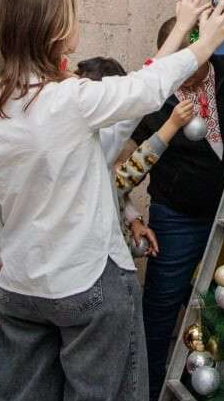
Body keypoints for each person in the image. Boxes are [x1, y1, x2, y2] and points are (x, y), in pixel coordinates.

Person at [0, 0, 224, 401]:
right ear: (58, 30)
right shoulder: (70, 99)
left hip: (20, 289)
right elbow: (146, 89)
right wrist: (204, 42)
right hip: (89, 284)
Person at [131, 16, 224, 401]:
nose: (193, 66)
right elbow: (130, 159)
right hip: (176, 215)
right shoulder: (156, 94)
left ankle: (209, 398)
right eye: (183, 59)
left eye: (200, 55)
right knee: (161, 311)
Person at [75, 57, 197, 256]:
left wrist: (133, 219)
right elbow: (127, 175)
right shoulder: (84, 154)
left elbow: (117, 190)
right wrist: (172, 125)